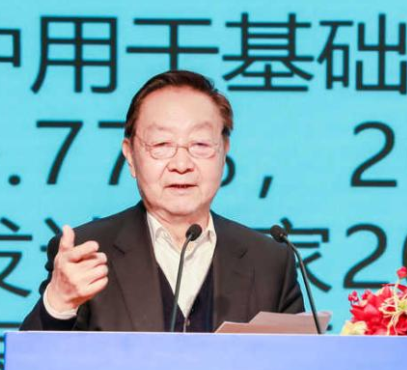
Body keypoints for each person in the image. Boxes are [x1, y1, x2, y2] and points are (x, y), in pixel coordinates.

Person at [20, 70, 304, 332]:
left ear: (224, 150)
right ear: (130, 155)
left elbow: (300, 365)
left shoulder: (269, 263)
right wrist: (59, 304)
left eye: (200, 144)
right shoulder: (85, 254)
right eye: (161, 144)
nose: (181, 164)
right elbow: (32, 365)